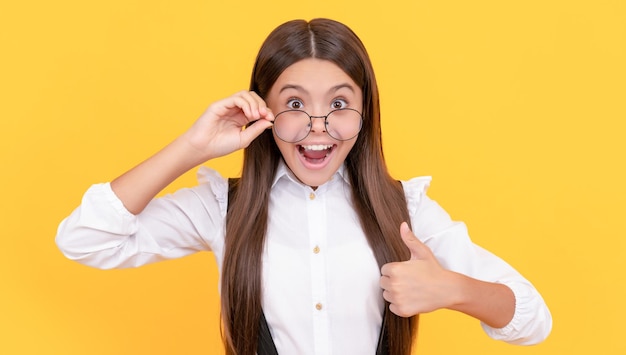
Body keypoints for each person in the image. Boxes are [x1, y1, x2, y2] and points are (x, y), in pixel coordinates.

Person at [56, 18, 552, 355]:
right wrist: (193, 146)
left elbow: (533, 319)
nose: (318, 127)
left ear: (365, 112)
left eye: (339, 104)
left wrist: (453, 289)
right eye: (294, 104)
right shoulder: (222, 208)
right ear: (264, 111)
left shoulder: (406, 211)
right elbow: (85, 239)